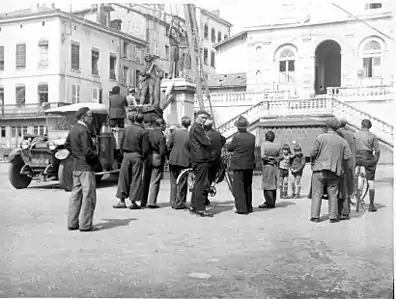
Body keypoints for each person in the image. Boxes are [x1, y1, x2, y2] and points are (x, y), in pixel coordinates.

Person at [310, 118, 352, 223]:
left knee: (317, 193)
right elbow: (348, 156)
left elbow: (312, 153)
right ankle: (333, 216)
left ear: (327, 126)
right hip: (334, 170)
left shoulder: (320, 138)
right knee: (333, 194)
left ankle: (315, 216)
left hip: (319, 169)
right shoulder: (342, 141)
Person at [64, 107, 99, 232]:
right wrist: (96, 154)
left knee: (75, 195)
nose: (91, 118)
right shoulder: (84, 131)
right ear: (83, 117)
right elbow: (87, 151)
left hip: (76, 166)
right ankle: (85, 224)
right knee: (88, 196)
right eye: (89, 116)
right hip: (86, 168)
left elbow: (66, 144)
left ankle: (72, 222)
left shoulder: (73, 129)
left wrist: (76, 154)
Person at [113, 113, 149, 210]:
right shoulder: (143, 132)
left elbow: (121, 143)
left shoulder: (127, 129)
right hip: (137, 156)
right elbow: (145, 149)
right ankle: (133, 201)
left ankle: (121, 200)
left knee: (124, 177)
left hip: (126, 155)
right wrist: (143, 157)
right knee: (136, 178)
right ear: (142, 121)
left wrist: (123, 154)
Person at [227, 116, 256, 214]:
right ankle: (248, 206)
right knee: (248, 186)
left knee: (239, 187)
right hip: (249, 163)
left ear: (238, 127)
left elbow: (230, 148)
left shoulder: (237, 137)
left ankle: (241, 208)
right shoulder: (252, 137)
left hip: (239, 164)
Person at [188, 110, 213, 217]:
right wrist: (207, 139)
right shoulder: (197, 128)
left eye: (205, 118)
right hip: (201, 158)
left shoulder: (195, 127)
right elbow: (206, 142)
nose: (204, 120)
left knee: (198, 183)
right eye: (202, 117)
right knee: (202, 183)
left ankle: (194, 206)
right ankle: (200, 208)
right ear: (196, 117)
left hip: (197, 158)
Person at [354, 119, 381, 212]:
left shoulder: (355, 134)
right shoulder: (373, 136)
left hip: (356, 158)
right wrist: (375, 160)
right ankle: (371, 205)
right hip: (368, 157)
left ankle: (353, 192)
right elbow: (377, 150)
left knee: (351, 174)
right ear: (369, 127)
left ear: (361, 125)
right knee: (371, 180)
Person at [141, 118, 167, 209]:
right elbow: (162, 151)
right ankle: (152, 201)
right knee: (155, 180)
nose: (165, 127)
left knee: (146, 179)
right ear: (161, 125)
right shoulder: (161, 136)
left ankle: (143, 200)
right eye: (165, 125)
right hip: (157, 156)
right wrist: (163, 160)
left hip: (148, 157)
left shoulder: (148, 133)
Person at [167, 117, 191, 209]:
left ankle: (172, 201)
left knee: (173, 181)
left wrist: (170, 155)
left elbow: (169, 146)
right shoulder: (189, 135)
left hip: (173, 159)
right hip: (184, 160)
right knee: (182, 182)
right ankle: (180, 202)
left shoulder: (174, 133)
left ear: (181, 123)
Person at [204, 118, 226, 206]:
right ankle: (206, 196)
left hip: (208, 159)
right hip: (216, 159)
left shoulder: (205, 135)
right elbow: (223, 140)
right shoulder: (217, 133)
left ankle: (204, 198)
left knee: (204, 179)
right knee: (210, 178)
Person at [337, 119, 356, 219]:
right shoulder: (351, 134)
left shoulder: (338, 134)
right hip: (350, 163)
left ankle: (340, 211)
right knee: (347, 188)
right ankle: (346, 211)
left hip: (340, 163)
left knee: (338, 188)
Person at [259, 131, 281, 209]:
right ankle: (273, 201)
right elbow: (281, 156)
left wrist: (269, 159)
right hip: (275, 166)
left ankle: (268, 202)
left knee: (267, 184)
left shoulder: (264, 145)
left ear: (266, 137)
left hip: (267, 165)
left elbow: (262, 156)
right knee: (273, 184)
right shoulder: (277, 145)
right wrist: (275, 159)